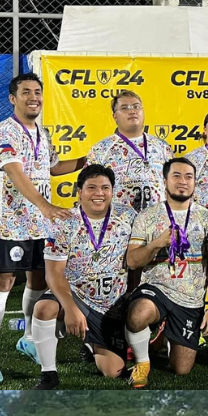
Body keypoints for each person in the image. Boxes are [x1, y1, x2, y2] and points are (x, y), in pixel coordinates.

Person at [0, 71, 76, 384]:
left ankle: (30, 340)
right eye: (26, 92)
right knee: (4, 281)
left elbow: (54, 167)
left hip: (41, 226)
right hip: (11, 225)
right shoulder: (4, 131)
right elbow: (16, 173)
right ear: (13, 98)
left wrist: (89, 159)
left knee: (38, 279)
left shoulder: (43, 134)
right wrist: (45, 205)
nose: (33, 97)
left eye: (37, 91)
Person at [33, 164, 137, 388]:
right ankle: (48, 374)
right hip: (76, 294)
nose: (99, 193)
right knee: (44, 308)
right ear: (79, 191)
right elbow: (54, 274)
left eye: (105, 188)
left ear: (112, 190)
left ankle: (92, 343)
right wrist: (70, 308)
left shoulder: (128, 216)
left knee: (113, 371)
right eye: (91, 187)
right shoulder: (62, 221)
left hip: (111, 304)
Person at [124, 157, 208, 387]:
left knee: (182, 369)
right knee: (138, 315)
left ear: (195, 182)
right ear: (164, 180)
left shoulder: (207, 218)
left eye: (188, 177)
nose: (183, 181)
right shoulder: (147, 216)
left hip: (191, 298)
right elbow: (132, 261)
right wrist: (156, 243)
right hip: (158, 288)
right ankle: (142, 361)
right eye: (176, 176)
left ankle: (163, 333)